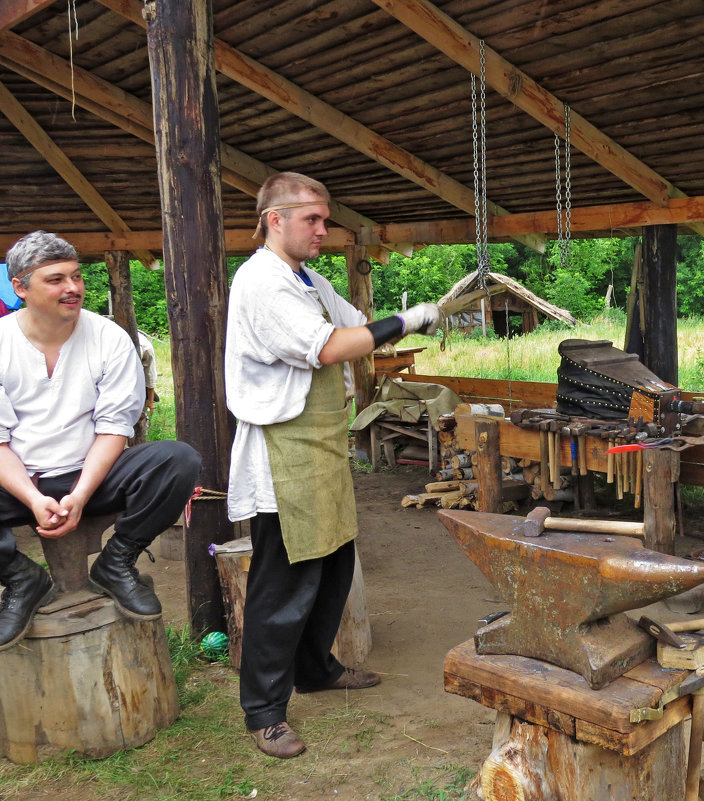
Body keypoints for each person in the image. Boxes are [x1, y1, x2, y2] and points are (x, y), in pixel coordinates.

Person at [224, 172, 444, 759]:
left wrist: (398, 323)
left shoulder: (310, 278)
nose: (324, 230)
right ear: (275, 219)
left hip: (323, 444)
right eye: (312, 220)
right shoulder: (261, 282)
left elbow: (352, 328)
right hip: (285, 448)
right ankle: (264, 712)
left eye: (326, 219)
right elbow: (330, 347)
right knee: (284, 583)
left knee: (332, 567)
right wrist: (408, 319)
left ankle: (317, 669)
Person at [0, 231, 201, 650]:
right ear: (19, 286)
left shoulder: (108, 337)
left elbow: (114, 429)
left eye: (76, 276)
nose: (72, 288)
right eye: (55, 280)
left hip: (94, 473)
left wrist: (80, 493)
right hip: (19, 482)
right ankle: (20, 578)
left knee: (177, 459)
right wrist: (35, 500)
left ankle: (117, 560)